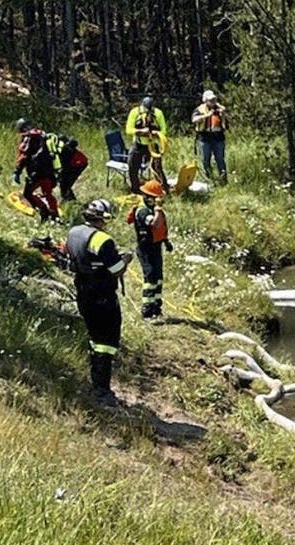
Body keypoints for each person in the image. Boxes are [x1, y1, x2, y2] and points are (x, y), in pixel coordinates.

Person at [66, 199, 132, 407]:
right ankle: (101, 390)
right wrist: (125, 259)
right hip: (102, 296)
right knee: (106, 342)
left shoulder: (74, 232)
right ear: (104, 217)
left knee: (94, 337)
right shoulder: (103, 239)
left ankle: (95, 380)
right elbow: (116, 269)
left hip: (83, 291)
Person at [126, 179, 174, 320]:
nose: (157, 200)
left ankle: (156, 307)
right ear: (146, 196)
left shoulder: (153, 209)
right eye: (155, 197)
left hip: (156, 246)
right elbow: (155, 224)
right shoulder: (142, 211)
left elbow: (161, 229)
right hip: (145, 248)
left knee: (158, 277)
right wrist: (158, 208)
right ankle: (147, 308)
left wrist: (166, 241)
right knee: (150, 276)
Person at [13, 118, 60, 221]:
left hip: (36, 172)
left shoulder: (29, 137)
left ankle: (44, 212)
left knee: (27, 194)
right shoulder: (43, 135)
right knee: (48, 194)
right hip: (49, 171)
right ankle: (55, 215)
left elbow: (24, 156)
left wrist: (17, 171)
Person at [125, 96, 168, 194]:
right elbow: (128, 130)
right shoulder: (134, 112)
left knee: (157, 168)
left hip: (152, 145)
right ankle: (135, 189)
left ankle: (163, 189)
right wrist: (140, 131)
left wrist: (155, 133)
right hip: (138, 144)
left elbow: (164, 130)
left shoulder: (158, 113)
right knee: (132, 166)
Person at [191, 89, 228, 182]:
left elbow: (227, 120)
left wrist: (223, 114)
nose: (213, 101)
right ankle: (209, 179)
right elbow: (194, 120)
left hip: (218, 137)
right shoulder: (199, 109)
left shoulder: (221, 109)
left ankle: (223, 179)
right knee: (205, 159)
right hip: (204, 137)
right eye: (210, 100)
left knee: (220, 159)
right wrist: (206, 115)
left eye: (214, 99)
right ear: (205, 100)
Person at [46, 133, 88, 201]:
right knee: (64, 183)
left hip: (78, 163)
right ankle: (69, 199)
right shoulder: (55, 148)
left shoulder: (64, 149)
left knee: (65, 183)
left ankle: (70, 200)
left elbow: (64, 164)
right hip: (74, 163)